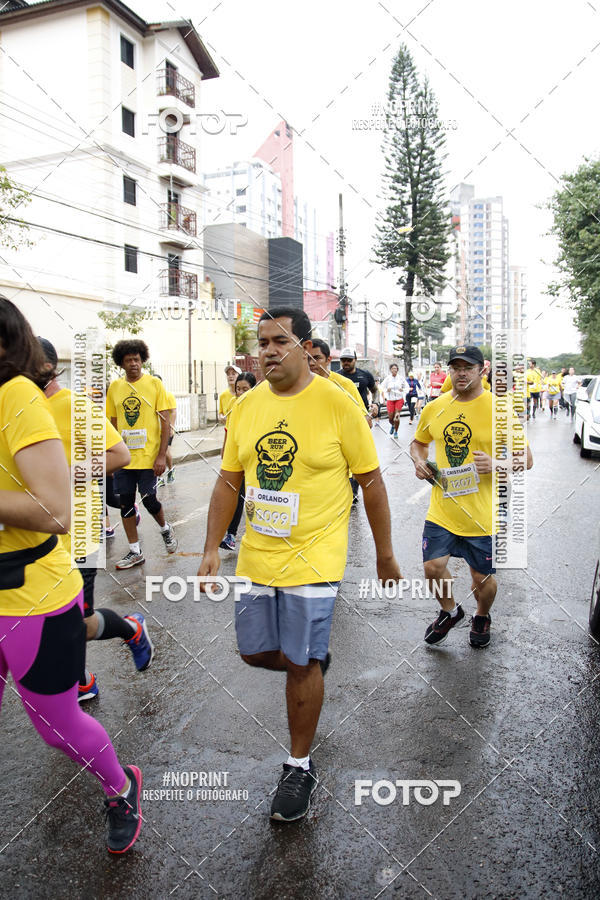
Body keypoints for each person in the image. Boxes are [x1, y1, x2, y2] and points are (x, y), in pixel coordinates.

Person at [199, 307, 401, 822]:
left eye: (279, 340)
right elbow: (229, 482)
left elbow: (372, 482)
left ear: (304, 345)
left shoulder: (339, 402)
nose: (267, 350)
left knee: (301, 662)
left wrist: (384, 553)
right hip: (257, 555)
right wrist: (209, 549)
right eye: (261, 341)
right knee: (252, 653)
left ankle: (298, 764)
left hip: (316, 556)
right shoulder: (245, 407)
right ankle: (307, 664)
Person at [0, 297, 142, 853]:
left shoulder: (21, 398)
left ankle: (119, 785)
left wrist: (67, 473)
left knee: (55, 725)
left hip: (35, 583)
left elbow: (67, 497)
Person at [38, 338, 154, 702]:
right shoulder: (18, 409)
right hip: (37, 535)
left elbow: (118, 454)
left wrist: (68, 472)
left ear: (43, 367)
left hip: (80, 531)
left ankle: (129, 630)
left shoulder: (74, 406)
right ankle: (81, 676)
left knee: (75, 622)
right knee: (45, 617)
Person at [410, 345, 533, 649]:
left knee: (483, 581)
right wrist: (419, 462)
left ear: (482, 370)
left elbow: (526, 459)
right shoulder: (434, 407)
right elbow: (418, 442)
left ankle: (481, 615)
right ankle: (451, 612)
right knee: (432, 567)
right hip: (443, 508)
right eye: (455, 367)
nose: (461, 373)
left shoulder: (498, 409)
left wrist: (496, 464)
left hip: (482, 513)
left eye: (467, 367)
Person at [107, 340, 177, 569]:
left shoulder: (154, 384)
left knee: (148, 499)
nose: (134, 364)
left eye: (137, 359)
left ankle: (165, 529)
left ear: (142, 360)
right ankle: (135, 551)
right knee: (126, 502)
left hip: (148, 457)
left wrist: (161, 455)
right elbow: (113, 424)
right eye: (129, 360)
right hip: (124, 459)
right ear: (122, 363)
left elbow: (165, 421)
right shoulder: (115, 388)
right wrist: (111, 457)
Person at [220, 371, 257, 551]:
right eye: (238, 389)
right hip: (238, 457)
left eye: (245, 389)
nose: (241, 393)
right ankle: (231, 535)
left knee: (253, 496)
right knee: (237, 494)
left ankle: (259, 533)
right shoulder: (234, 405)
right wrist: (225, 450)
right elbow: (229, 430)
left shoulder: (260, 406)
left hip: (256, 459)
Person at [338, 347, 376, 503]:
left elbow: (375, 390)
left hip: (361, 419)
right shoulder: (336, 377)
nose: (346, 363)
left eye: (349, 360)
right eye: (343, 360)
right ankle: (345, 488)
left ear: (355, 360)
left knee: (358, 455)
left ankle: (354, 489)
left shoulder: (364, 375)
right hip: (341, 420)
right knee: (343, 456)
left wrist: (376, 404)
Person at [155, 376, 177, 485]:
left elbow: (173, 411)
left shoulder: (167, 395)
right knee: (155, 453)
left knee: (165, 452)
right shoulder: (151, 396)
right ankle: (159, 478)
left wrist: (171, 427)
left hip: (166, 430)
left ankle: (171, 470)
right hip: (154, 431)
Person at [379, 363, 405, 438]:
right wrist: (387, 390)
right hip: (390, 400)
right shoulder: (387, 379)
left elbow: (407, 387)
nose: (394, 370)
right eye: (393, 368)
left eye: (395, 368)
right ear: (390, 370)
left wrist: (402, 389)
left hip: (399, 399)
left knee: (396, 416)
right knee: (390, 418)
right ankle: (393, 425)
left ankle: (396, 432)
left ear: (397, 370)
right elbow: (381, 387)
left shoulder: (401, 378)